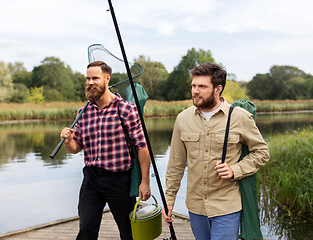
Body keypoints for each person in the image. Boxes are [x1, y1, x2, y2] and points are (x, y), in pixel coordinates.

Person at [163, 62, 269, 240]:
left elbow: (262, 152)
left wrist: (235, 170)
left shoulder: (239, 117)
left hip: (226, 206)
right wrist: (170, 199)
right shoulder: (183, 119)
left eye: (202, 86)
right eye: (194, 86)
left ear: (218, 88)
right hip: (196, 207)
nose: (195, 91)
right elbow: (176, 164)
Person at [60, 61, 151, 240]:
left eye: (95, 78)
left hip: (119, 181)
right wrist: (68, 141)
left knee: (128, 232)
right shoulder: (83, 112)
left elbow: (142, 147)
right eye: (87, 79)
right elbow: (76, 148)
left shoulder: (125, 109)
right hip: (91, 180)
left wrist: (145, 181)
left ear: (107, 79)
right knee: (86, 230)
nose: (90, 82)